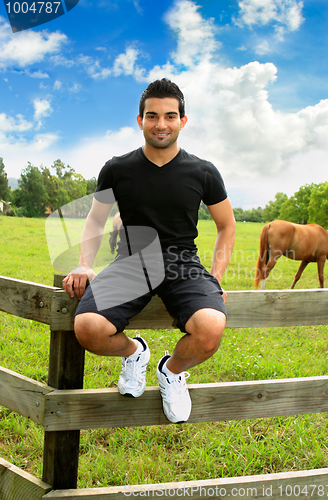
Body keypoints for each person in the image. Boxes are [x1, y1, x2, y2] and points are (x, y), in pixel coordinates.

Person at [62, 78, 236, 424]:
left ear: (182, 121)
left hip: (182, 262)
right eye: (152, 116)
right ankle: (136, 353)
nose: (161, 124)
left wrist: (216, 279)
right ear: (140, 120)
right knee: (88, 328)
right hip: (131, 261)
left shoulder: (203, 171)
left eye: (170, 116)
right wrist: (84, 264)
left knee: (211, 327)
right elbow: (96, 220)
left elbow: (226, 225)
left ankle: (171, 370)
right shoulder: (117, 168)